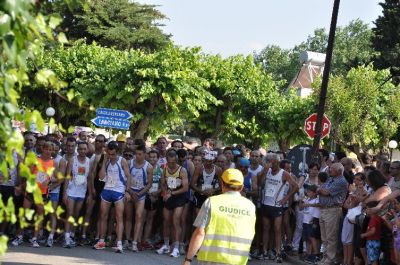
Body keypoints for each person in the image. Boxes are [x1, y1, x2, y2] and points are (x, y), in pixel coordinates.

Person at [182, 168, 256, 265]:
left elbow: (200, 233)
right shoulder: (250, 206)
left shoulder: (212, 202)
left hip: (211, 259)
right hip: (238, 260)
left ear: (222, 184)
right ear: (241, 187)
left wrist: (188, 259)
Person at [259, 153, 299, 262]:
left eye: (273, 162)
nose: (271, 164)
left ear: (277, 162)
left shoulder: (284, 173)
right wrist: (264, 172)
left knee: (277, 229)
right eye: (269, 162)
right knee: (266, 228)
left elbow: (295, 186)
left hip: (277, 205)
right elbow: (260, 184)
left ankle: (277, 253)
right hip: (266, 204)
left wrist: (286, 198)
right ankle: (265, 251)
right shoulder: (266, 172)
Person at [94, 141, 132, 253]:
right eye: (109, 154)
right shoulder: (106, 161)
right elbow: (101, 177)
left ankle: (119, 243)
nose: (111, 156)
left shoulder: (122, 161)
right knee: (103, 216)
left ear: (117, 153)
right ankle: (101, 241)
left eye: (113, 154)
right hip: (107, 189)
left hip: (119, 190)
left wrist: (127, 191)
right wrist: (105, 160)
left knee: (119, 217)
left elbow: (128, 177)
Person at [157, 149, 189, 258]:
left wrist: (172, 193)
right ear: (166, 160)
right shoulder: (164, 169)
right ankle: (166, 245)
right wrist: (165, 192)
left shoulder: (182, 170)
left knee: (176, 220)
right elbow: (162, 183)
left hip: (179, 197)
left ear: (176, 160)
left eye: (173, 162)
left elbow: (185, 188)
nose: (171, 164)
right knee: (166, 221)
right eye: (169, 162)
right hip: (169, 195)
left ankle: (176, 248)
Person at [317, 163, 348, 265]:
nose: (329, 170)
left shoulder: (341, 181)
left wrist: (320, 190)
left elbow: (325, 192)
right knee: (324, 236)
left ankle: (330, 259)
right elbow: (320, 189)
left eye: (332, 169)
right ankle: (325, 256)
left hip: (333, 210)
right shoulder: (331, 179)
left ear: (339, 171)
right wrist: (320, 190)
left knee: (331, 236)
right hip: (324, 209)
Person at [63, 141, 91, 248]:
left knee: (75, 214)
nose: (82, 151)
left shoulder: (89, 161)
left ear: (87, 150)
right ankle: (66, 238)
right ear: (77, 150)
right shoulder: (72, 160)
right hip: (71, 191)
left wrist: (90, 194)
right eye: (80, 149)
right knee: (69, 213)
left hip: (82, 192)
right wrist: (65, 193)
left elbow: (90, 178)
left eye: (84, 149)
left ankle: (71, 235)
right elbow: (67, 177)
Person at [128, 144, 153, 252]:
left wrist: (139, 193)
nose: (137, 156)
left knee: (138, 217)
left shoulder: (149, 167)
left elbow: (149, 184)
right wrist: (130, 191)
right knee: (128, 217)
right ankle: (127, 240)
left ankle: (134, 242)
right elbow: (126, 178)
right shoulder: (129, 163)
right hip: (130, 192)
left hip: (140, 194)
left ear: (144, 154)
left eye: (139, 154)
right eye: (136, 154)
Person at [300, 185, 320, 264]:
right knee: (307, 238)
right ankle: (308, 254)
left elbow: (319, 205)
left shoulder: (316, 200)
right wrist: (301, 202)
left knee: (312, 238)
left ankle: (316, 254)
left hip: (312, 221)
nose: (307, 193)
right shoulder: (306, 199)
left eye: (309, 192)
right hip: (305, 221)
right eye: (307, 191)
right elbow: (300, 208)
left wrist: (308, 204)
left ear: (315, 193)